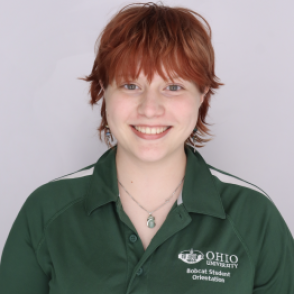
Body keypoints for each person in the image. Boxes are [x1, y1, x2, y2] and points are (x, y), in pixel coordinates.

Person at [0, 2, 293, 294]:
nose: (150, 109)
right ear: (104, 89)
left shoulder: (255, 217)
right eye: (130, 86)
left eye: (173, 87)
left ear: (202, 94)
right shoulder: (46, 211)